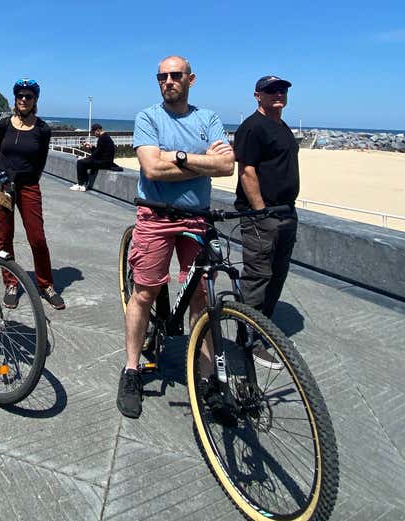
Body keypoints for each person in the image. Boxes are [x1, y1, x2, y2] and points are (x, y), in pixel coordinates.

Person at [117, 56, 234, 419]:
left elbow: (227, 166)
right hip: (155, 215)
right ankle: (132, 369)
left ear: (191, 79)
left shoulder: (208, 118)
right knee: (145, 292)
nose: (168, 81)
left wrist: (178, 157)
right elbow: (151, 168)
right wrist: (200, 160)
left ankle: (209, 379)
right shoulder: (147, 117)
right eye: (162, 76)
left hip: (196, 218)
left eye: (175, 75)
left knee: (202, 296)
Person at [234, 76, 299, 370]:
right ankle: (250, 340)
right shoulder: (252, 126)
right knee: (258, 276)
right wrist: (260, 211)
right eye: (272, 90)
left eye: (282, 90)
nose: (278, 94)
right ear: (257, 95)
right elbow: (246, 170)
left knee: (277, 274)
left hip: (286, 212)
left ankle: (264, 328)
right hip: (263, 214)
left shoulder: (282, 126)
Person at [0, 78, 65, 310]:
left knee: (37, 237)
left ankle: (46, 285)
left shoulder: (43, 129)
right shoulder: (4, 125)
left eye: (29, 97)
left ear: (35, 101)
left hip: (29, 187)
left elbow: (40, 160)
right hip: (3, 185)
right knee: (4, 237)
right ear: (15, 99)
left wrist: (28, 179)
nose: (24, 99)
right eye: (20, 96)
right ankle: (10, 283)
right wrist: (3, 177)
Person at [71, 123, 116, 191]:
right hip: (106, 161)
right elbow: (99, 151)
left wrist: (86, 158)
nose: (93, 134)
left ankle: (81, 184)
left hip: (104, 163)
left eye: (93, 132)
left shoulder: (102, 138)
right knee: (84, 162)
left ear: (98, 130)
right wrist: (91, 147)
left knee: (80, 162)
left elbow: (97, 154)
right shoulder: (105, 137)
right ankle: (84, 184)